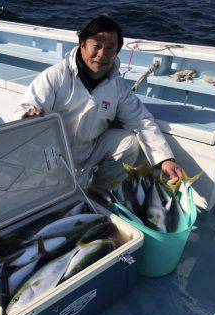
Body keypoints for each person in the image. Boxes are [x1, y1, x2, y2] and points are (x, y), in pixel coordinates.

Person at [14, 15, 182, 196]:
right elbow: (26, 106)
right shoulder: (56, 76)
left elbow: (141, 121)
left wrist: (165, 159)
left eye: (110, 49)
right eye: (97, 46)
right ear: (82, 45)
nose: (102, 54)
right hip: (52, 154)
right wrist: (29, 115)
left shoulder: (118, 86)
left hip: (88, 152)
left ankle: (99, 193)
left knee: (129, 144)